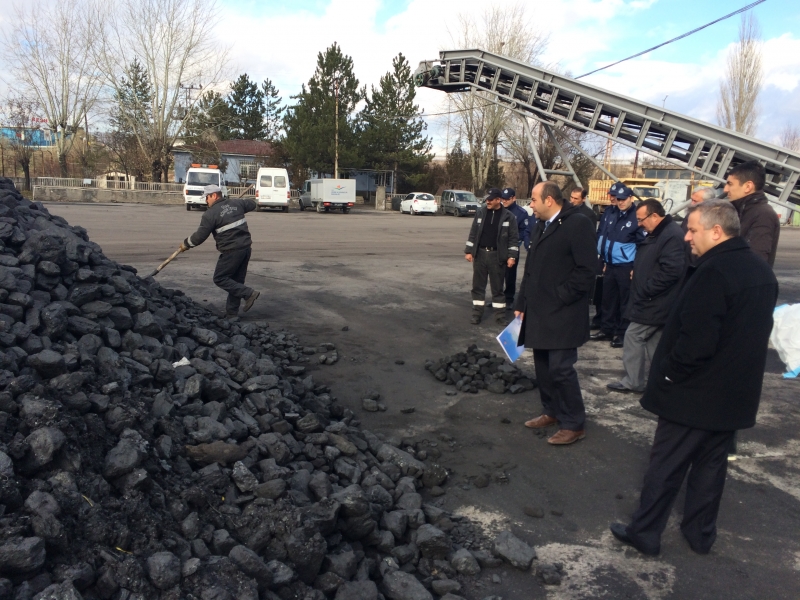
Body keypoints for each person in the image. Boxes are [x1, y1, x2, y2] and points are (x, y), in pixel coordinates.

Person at [610, 199, 778, 556]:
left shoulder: (714, 272)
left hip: (694, 395)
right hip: (734, 395)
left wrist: (669, 376)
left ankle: (645, 532)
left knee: (665, 465)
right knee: (710, 467)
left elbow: (696, 342)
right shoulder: (761, 272)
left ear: (717, 231)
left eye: (692, 230)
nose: (687, 237)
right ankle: (700, 533)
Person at [514, 181, 598, 445]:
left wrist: (562, 295)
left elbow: (587, 270)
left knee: (561, 370)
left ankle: (574, 423)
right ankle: (551, 411)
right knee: (543, 367)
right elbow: (532, 269)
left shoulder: (578, 224)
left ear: (549, 200)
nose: (530, 205)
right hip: (538, 311)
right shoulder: (541, 225)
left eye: (534, 200)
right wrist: (521, 302)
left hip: (563, 314)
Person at [606, 199, 687, 394]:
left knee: (633, 336)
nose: (639, 224)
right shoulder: (659, 233)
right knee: (654, 342)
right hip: (654, 298)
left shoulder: (671, 236)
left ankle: (634, 381)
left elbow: (671, 271)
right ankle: (662, 380)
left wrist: (646, 289)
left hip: (656, 300)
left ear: (655, 216)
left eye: (642, 220)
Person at [181, 185, 260, 319]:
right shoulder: (236, 203)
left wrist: (186, 244)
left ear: (214, 195)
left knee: (220, 278)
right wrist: (236, 206)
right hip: (246, 248)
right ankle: (232, 313)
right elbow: (253, 204)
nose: (206, 201)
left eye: (207, 197)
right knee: (237, 281)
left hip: (231, 251)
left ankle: (248, 294)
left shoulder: (210, 215)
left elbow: (200, 236)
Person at [591, 185, 645, 347]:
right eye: (618, 199)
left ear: (631, 198)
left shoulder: (636, 217)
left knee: (624, 301)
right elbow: (604, 235)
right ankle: (607, 329)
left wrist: (635, 267)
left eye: (623, 199)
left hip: (625, 266)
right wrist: (606, 260)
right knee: (608, 299)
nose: (619, 202)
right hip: (610, 264)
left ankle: (622, 333)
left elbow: (642, 245)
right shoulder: (611, 212)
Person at [465, 188, 519, 325]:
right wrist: (469, 251)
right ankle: (477, 313)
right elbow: (473, 233)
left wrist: (512, 256)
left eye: (490, 199)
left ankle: (500, 316)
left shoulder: (509, 216)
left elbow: (513, 239)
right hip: (480, 254)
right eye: (486, 199)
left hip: (497, 256)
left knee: (498, 288)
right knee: (478, 286)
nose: (487, 202)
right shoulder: (481, 212)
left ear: (498, 200)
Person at [724, 160, 780, 267]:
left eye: (730, 184)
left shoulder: (763, 214)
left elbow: (756, 261)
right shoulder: (741, 210)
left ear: (748, 186)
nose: (726, 189)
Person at [591, 184, 621, 330]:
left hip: (617, 260)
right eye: (611, 195)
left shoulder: (623, 214)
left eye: (615, 195)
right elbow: (601, 232)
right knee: (600, 291)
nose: (612, 198)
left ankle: (612, 324)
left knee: (613, 295)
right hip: (603, 256)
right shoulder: (608, 211)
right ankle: (600, 320)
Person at [500, 187, 529, 309]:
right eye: (503, 199)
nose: (504, 201)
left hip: (512, 248)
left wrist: (516, 242)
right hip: (499, 248)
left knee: (510, 275)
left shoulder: (521, 213)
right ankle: (498, 297)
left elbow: (524, 231)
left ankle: (509, 298)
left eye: (507, 199)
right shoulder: (499, 211)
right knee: (498, 274)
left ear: (514, 198)